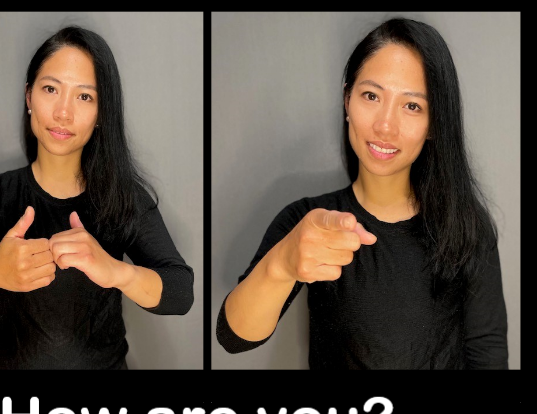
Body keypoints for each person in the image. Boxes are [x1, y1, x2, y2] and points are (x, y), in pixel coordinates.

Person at [0, 25, 194, 370]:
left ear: (101, 115)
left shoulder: (123, 199)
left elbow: (180, 292)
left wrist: (115, 272)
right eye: (51, 89)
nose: (63, 113)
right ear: (29, 96)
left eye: (84, 97)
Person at [216, 17, 508, 369]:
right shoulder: (308, 223)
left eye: (412, 106)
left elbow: (487, 351)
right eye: (371, 96)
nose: (385, 125)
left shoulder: (467, 226)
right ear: (346, 100)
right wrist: (282, 263)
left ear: (434, 125)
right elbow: (233, 336)